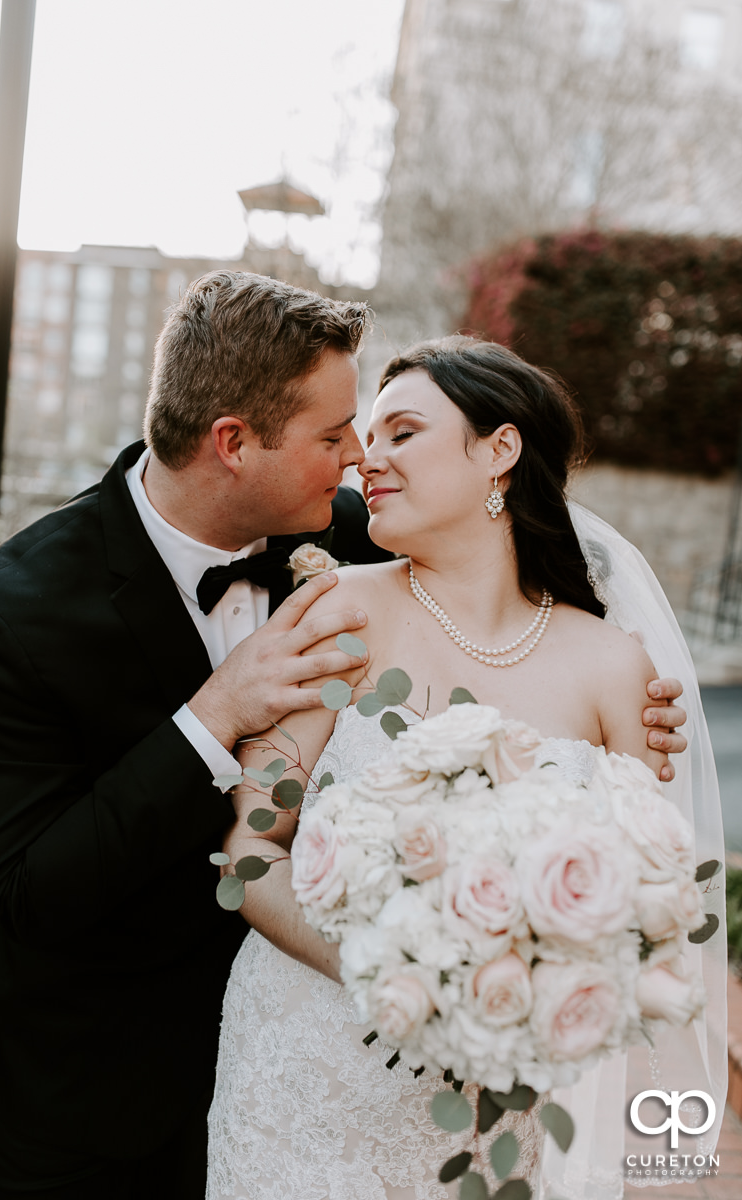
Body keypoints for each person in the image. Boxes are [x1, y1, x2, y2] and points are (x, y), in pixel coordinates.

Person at [0, 276, 685, 1199]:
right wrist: (212, 716)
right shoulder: (9, 612)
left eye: (376, 435)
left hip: (396, 1081)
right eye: (337, 437)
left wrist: (616, 718)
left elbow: (491, 598)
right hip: (109, 1084)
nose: (356, 463)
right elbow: (29, 887)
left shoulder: (366, 536)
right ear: (232, 444)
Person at [207, 336, 725, 1198]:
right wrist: (405, 977)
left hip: (492, 1111)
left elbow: (647, 911)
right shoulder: (334, 613)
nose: (369, 459)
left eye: (402, 431)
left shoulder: (611, 668)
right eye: (367, 438)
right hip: (300, 1079)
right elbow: (252, 854)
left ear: (499, 449)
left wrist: (535, 997)